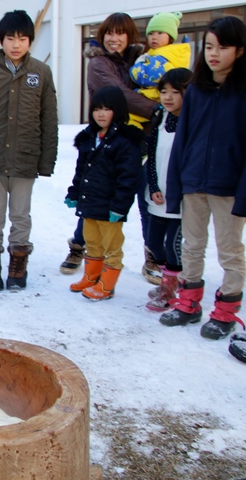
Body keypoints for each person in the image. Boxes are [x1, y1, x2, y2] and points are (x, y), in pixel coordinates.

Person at [159, 17, 246, 343]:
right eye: (209, 46)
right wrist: (177, 183)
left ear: (239, 51)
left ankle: (226, 310)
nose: (214, 53)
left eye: (222, 47)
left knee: (230, 251)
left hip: (228, 187)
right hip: (194, 181)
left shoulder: (242, 93)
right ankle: (189, 302)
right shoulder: (195, 90)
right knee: (191, 245)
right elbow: (183, 141)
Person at [0, 10, 58, 291]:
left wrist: (46, 161)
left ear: (30, 41)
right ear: (1, 39)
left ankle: (18, 265)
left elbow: (49, 118)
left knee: (21, 215)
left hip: (25, 160)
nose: (16, 44)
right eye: (11, 38)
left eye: (22, 38)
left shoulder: (41, 73)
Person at [69, 12, 160, 283]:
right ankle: (78, 245)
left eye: (120, 33)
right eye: (109, 33)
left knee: (144, 196)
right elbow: (121, 97)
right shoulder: (98, 63)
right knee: (95, 193)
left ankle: (152, 252)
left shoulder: (142, 62)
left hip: (138, 138)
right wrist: (157, 109)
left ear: (130, 36)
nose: (114, 38)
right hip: (108, 137)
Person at [65, 86, 145, 301]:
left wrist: (119, 207)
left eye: (107, 109)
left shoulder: (125, 141)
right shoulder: (89, 138)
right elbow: (81, 171)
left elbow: (128, 178)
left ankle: (107, 286)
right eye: (97, 109)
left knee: (112, 246)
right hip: (90, 202)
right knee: (92, 242)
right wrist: (74, 193)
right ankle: (91, 277)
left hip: (110, 206)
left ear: (117, 110)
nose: (101, 114)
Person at [144, 68, 192, 311]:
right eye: (164, 91)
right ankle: (170, 278)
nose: (168, 97)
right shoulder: (160, 117)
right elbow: (151, 156)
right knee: (153, 241)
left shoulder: (193, 121)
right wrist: (153, 186)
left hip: (181, 198)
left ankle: (171, 287)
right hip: (158, 194)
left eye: (176, 92)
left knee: (174, 244)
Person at [130, 11, 191, 107]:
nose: (154, 37)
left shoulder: (166, 55)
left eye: (160, 33)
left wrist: (138, 65)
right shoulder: (154, 53)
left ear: (170, 36)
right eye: (150, 33)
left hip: (161, 101)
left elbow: (147, 77)